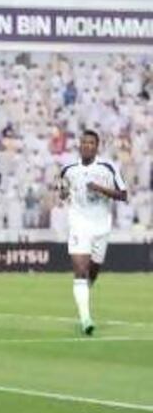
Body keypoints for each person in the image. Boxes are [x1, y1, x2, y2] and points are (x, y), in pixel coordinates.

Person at [59, 130, 127, 335]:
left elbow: (123, 195)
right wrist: (62, 193)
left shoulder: (107, 168)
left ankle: (83, 298)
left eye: (91, 143)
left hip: (101, 226)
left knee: (92, 273)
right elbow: (62, 191)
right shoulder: (68, 169)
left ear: (97, 147)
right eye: (84, 142)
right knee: (80, 270)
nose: (87, 146)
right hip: (79, 223)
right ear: (79, 145)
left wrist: (99, 188)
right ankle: (86, 319)